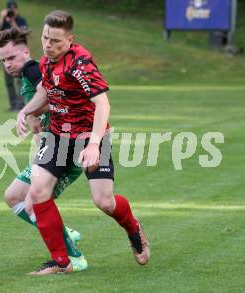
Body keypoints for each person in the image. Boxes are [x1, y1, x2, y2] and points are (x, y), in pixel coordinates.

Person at [16, 10, 150, 275]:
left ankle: (133, 227)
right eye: (45, 38)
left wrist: (94, 144)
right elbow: (46, 90)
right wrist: (27, 110)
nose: (48, 45)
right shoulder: (46, 61)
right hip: (58, 136)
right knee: (38, 191)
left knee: (104, 202)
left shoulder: (81, 63)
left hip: (90, 136)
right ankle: (62, 262)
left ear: (70, 40)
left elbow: (102, 103)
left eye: (55, 41)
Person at [0, 27, 88, 271]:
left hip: (68, 148)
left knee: (33, 203)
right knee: (13, 196)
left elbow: (54, 95)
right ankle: (64, 233)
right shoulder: (29, 74)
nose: (7, 64)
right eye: (3, 60)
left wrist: (30, 111)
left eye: (12, 57)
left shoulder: (32, 69)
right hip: (52, 149)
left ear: (26, 53)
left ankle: (74, 258)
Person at [0, 1, 28, 112]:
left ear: (17, 9)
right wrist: (1, 19)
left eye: (14, 9)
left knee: (21, 80)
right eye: (10, 9)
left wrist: (13, 22)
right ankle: (13, 104)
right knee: (9, 81)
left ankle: (20, 104)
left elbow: (23, 34)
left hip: (19, 55)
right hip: (6, 55)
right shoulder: (3, 22)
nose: (13, 11)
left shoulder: (21, 20)